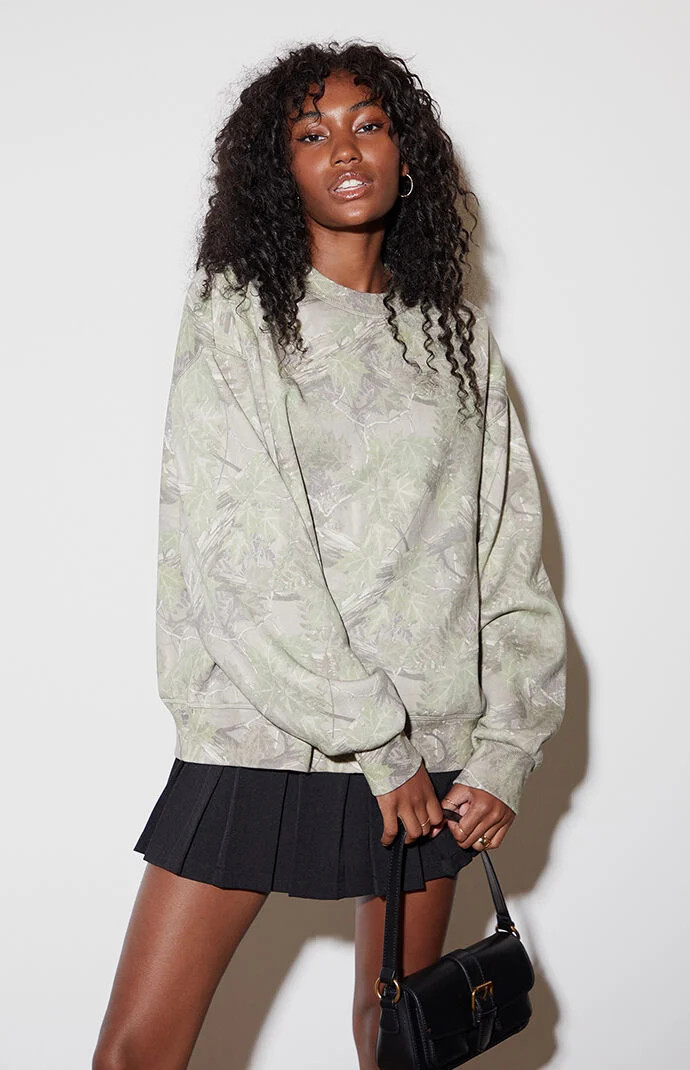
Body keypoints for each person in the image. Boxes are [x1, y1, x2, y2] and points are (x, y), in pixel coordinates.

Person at [92, 39, 567, 1070]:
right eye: (313, 134)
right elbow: (240, 550)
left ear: (406, 152)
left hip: (431, 750)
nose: (345, 150)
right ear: (281, 169)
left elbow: (504, 551)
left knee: (397, 1043)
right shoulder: (238, 315)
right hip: (265, 735)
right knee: (138, 1050)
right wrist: (377, 745)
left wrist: (505, 749)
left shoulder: (456, 337)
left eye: (369, 124)